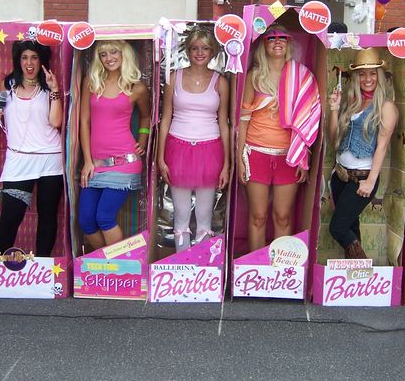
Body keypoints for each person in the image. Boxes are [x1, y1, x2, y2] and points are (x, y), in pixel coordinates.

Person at [237, 24, 321, 252]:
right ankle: (256, 267)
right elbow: (242, 120)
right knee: (258, 217)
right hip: (256, 152)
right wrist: (239, 159)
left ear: (288, 44)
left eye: (283, 37)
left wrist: (304, 159)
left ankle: (279, 273)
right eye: (271, 38)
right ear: (263, 45)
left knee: (283, 217)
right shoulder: (254, 77)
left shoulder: (301, 76)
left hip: (289, 156)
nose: (277, 41)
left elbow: (309, 120)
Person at [157, 26, 230, 252]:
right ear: (188, 51)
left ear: (212, 52)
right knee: (180, 215)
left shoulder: (221, 82)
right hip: (177, 148)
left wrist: (227, 164)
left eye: (205, 48)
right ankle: (182, 266)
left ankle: (202, 268)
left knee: (204, 216)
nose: (200, 52)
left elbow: (224, 124)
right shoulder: (173, 78)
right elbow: (165, 119)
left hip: (210, 149)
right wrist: (160, 158)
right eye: (195, 48)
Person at [0, 40, 64, 257]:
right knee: (10, 215)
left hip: (50, 159)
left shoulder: (47, 87)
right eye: (24, 57)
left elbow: (56, 121)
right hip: (18, 160)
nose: (29, 62)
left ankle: (41, 266)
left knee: (47, 216)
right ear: (18, 61)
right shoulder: (8, 86)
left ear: (42, 61)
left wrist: (55, 90)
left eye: (34, 57)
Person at [78, 40, 151, 251]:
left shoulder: (136, 87)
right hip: (95, 164)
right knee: (86, 220)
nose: (109, 58)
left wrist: (143, 140)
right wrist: (87, 161)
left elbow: (146, 117)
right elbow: (84, 122)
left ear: (124, 54)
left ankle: (116, 270)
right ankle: (109, 264)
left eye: (114, 52)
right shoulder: (91, 82)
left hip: (124, 161)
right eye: (103, 54)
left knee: (104, 217)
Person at [327, 47, 398, 259]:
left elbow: (382, 146)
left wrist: (370, 182)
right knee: (351, 228)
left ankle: (362, 268)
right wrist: (334, 109)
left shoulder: (386, 107)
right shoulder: (352, 103)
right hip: (340, 176)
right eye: (362, 73)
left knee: (337, 228)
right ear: (356, 77)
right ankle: (355, 280)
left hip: (362, 178)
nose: (368, 78)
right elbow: (334, 140)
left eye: (372, 73)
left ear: (380, 76)